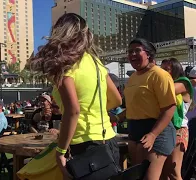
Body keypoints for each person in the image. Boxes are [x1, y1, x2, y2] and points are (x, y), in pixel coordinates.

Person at [28, 13, 122, 179]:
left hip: (83, 144)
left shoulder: (63, 65)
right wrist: (93, 111)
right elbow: (116, 100)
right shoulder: (95, 61)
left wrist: (61, 152)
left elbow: (73, 111)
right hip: (108, 140)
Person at [124, 38, 176, 179]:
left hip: (157, 131)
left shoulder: (160, 75)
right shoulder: (133, 77)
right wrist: (116, 117)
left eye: (137, 50)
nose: (132, 54)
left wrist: (153, 134)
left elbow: (169, 107)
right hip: (135, 131)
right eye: (130, 51)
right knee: (138, 176)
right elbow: (133, 105)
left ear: (148, 54)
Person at [160, 58, 194, 179]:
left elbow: (168, 90)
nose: (162, 72)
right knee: (163, 172)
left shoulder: (183, 82)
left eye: (166, 69)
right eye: (161, 69)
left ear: (175, 69)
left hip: (179, 129)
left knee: (173, 171)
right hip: (165, 130)